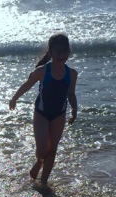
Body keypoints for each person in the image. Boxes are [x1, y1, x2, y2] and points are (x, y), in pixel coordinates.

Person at [9, 33, 77, 184]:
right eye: (58, 51)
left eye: (65, 51)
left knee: (53, 150)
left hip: (59, 114)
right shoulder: (42, 71)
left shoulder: (71, 74)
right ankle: (39, 161)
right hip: (41, 113)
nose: (62, 55)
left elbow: (71, 94)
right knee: (42, 149)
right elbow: (26, 85)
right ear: (51, 52)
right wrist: (14, 98)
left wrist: (74, 109)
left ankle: (44, 183)